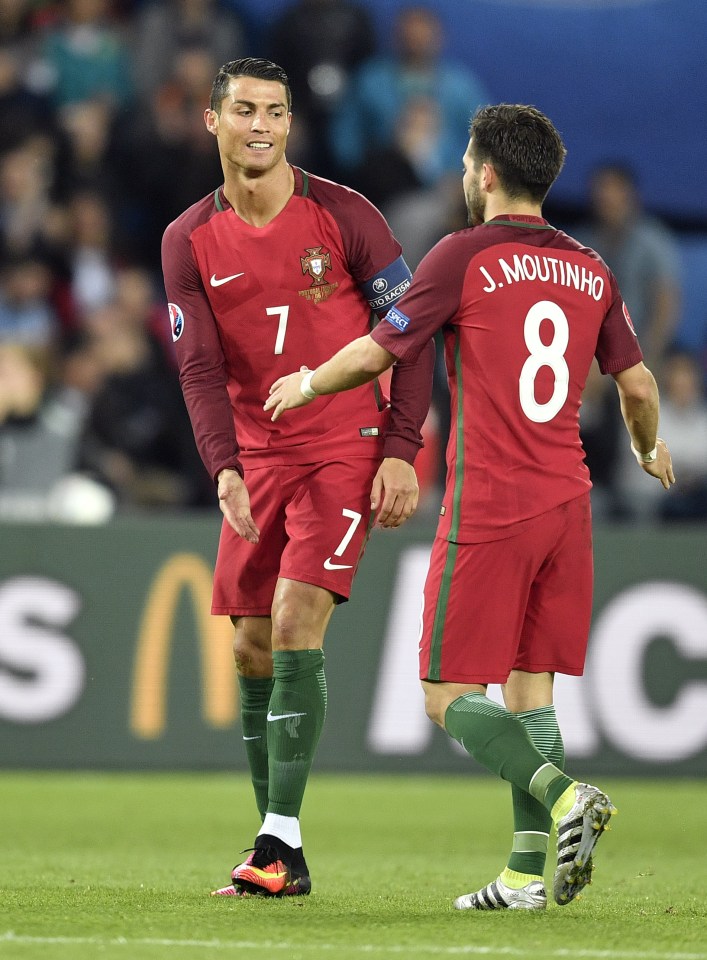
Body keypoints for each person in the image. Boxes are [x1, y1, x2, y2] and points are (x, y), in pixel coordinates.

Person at [265, 103, 676, 911]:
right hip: (569, 502)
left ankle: (562, 796)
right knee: (531, 690)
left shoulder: (463, 254)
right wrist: (641, 447)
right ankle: (526, 875)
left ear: (484, 173)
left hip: (492, 503)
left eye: (464, 158)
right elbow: (635, 384)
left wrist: (306, 382)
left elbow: (379, 350)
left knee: (444, 695)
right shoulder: (591, 265)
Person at [161, 58, 434, 897]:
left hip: (343, 445)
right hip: (256, 456)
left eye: (275, 112)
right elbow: (199, 371)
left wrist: (398, 445)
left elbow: (409, 333)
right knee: (247, 647)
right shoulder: (186, 240)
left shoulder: (344, 216)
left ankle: (275, 847)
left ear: (289, 124)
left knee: (290, 623)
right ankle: (280, 842)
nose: (261, 127)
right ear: (212, 121)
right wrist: (224, 468)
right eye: (244, 110)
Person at [576, 162, 682, 375]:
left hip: (644, 349)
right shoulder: (582, 242)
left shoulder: (653, 240)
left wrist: (646, 355)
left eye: (613, 189)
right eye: (601, 189)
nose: (606, 197)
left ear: (630, 194)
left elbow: (666, 303)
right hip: (595, 351)